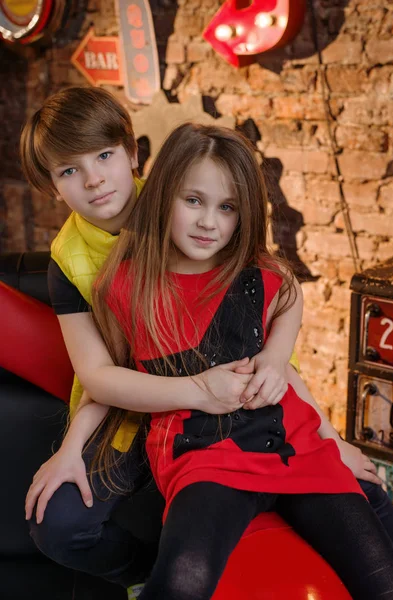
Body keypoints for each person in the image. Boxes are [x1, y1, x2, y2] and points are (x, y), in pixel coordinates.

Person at [62, 122, 393, 600]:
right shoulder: (125, 286)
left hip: (295, 447)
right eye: (193, 201)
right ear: (163, 196)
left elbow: (290, 300)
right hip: (205, 460)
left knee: (384, 580)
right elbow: (108, 380)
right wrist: (70, 447)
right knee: (181, 582)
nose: (209, 223)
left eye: (227, 208)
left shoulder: (259, 276)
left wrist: (281, 362)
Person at [19, 86, 299, 591]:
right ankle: (148, 577)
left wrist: (320, 425)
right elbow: (98, 375)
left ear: (131, 151)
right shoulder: (69, 256)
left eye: (104, 155)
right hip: (131, 401)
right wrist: (69, 449)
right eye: (69, 171)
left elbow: (268, 300)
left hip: (227, 391)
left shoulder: (186, 201)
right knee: (56, 524)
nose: (94, 179)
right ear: (52, 187)